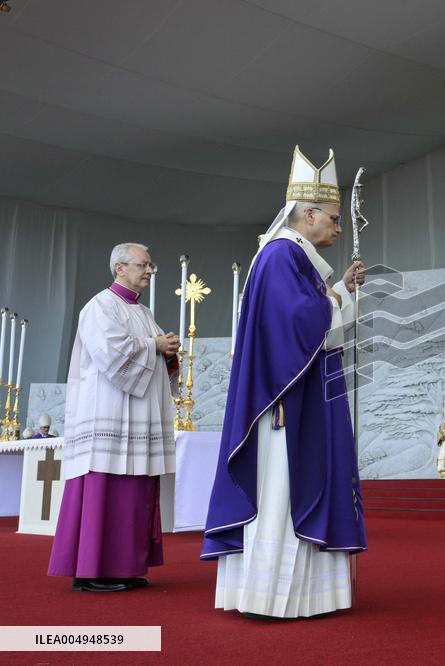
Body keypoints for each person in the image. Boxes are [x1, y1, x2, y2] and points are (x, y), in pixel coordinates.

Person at [202, 145, 367, 618]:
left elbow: (309, 318)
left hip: (299, 396)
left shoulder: (295, 259)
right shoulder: (280, 256)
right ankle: (269, 595)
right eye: (333, 219)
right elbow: (296, 325)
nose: (338, 228)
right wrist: (334, 300)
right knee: (281, 490)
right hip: (284, 405)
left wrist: (338, 294)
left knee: (291, 488)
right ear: (308, 214)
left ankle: (303, 593)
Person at [48, 243, 181, 592]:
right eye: (143, 264)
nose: (150, 270)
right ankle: (92, 570)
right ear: (120, 268)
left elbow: (147, 354)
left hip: (136, 417)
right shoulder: (100, 306)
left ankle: (125, 567)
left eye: (151, 265)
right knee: (105, 490)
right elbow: (111, 354)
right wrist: (154, 346)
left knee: (134, 493)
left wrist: (168, 352)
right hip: (108, 414)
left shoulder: (144, 312)